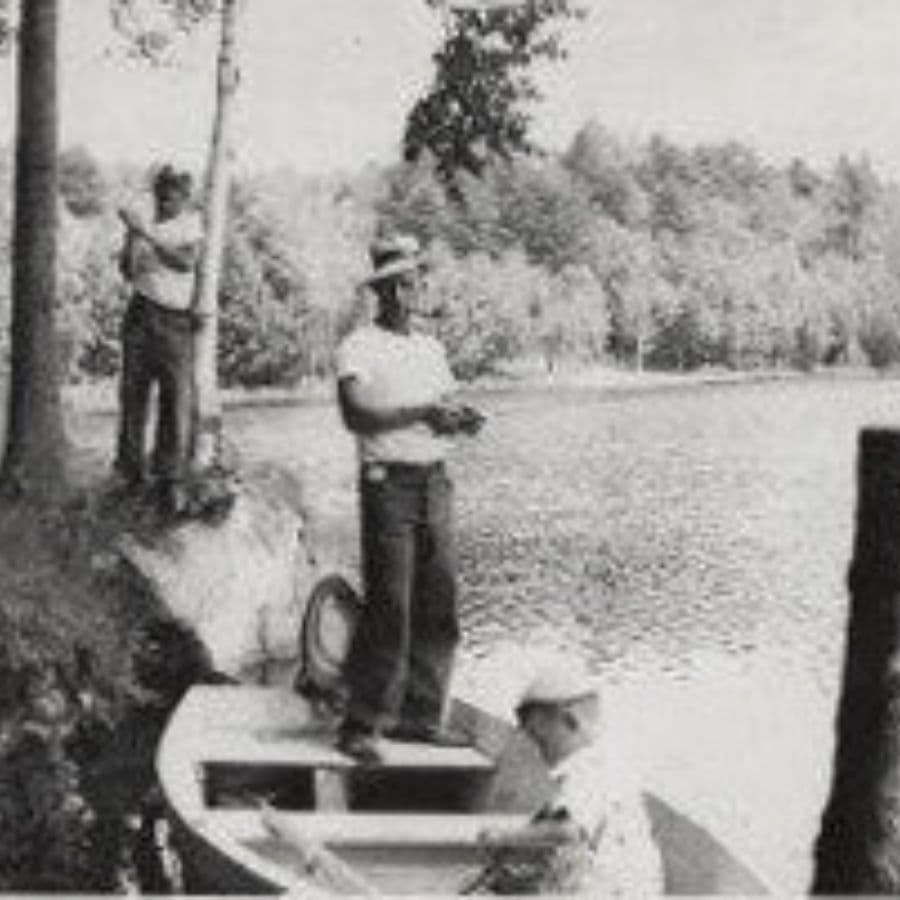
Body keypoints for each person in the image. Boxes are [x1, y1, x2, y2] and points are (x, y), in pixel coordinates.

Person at [334, 233, 485, 764]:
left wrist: (461, 419)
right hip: (387, 484)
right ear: (386, 290)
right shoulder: (357, 346)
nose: (413, 291)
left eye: (415, 281)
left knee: (438, 606)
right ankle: (362, 723)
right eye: (404, 283)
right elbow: (355, 417)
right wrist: (422, 414)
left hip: (434, 482)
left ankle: (420, 719)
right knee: (390, 607)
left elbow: (442, 406)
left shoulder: (431, 348)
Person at [466, 668, 664, 895]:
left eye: (541, 738)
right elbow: (561, 824)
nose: (537, 748)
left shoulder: (591, 766)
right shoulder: (601, 762)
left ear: (570, 720)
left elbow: (568, 831)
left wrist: (505, 836)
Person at [114, 164, 203, 516]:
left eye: (174, 195)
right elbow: (126, 270)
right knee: (133, 394)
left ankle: (170, 478)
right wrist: (130, 240)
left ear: (184, 197)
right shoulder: (146, 224)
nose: (167, 201)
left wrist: (145, 233)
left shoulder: (190, 224)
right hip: (140, 312)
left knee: (175, 397)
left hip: (173, 318)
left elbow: (185, 262)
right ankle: (130, 472)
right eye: (162, 194)